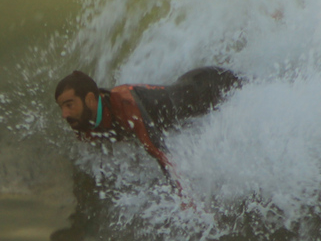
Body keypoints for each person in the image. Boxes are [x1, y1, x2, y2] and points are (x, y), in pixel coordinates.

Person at [54, 66, 241, 181]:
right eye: (62, 107)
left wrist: (187, 203)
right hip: (191, 91)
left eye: (69, 105)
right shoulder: (83, 123)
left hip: (209, 86)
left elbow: (162, 154)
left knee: (254, 87)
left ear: (89, 100)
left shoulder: (125, 105)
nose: (64, 114)